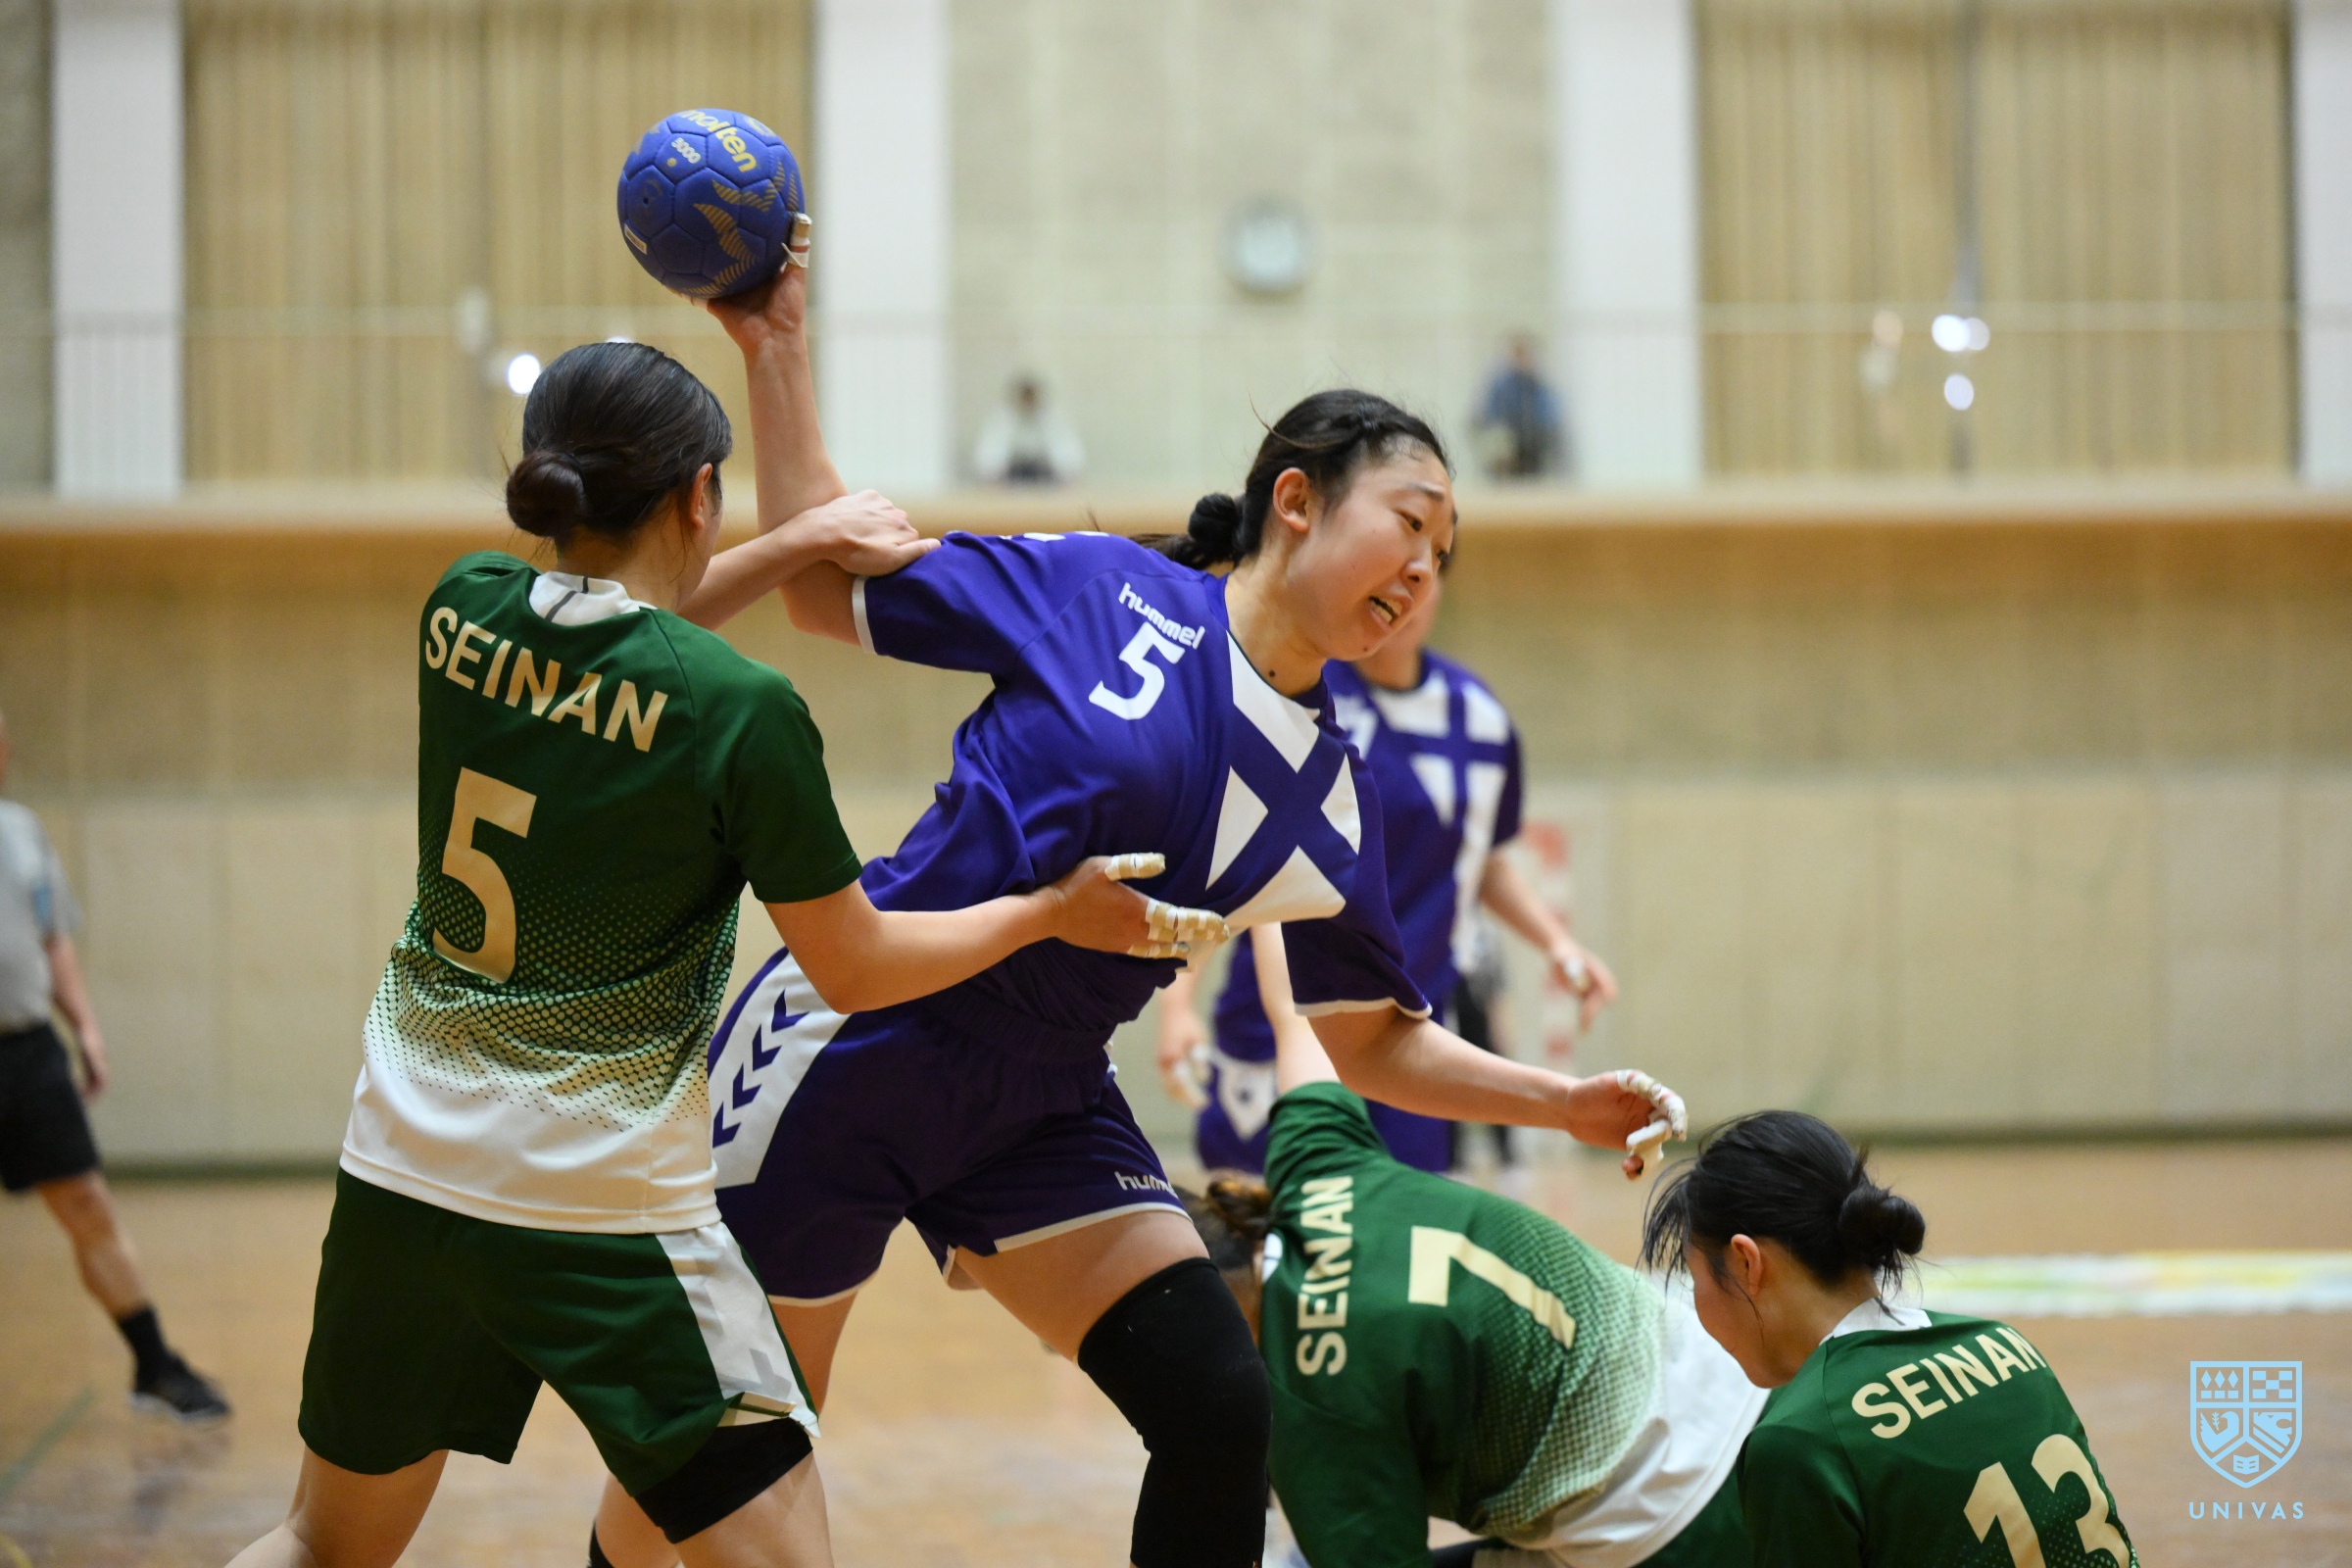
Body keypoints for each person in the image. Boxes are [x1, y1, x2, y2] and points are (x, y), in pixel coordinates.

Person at [592, 369, 1690, 1568]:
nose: (1426, 568)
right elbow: (822, 587)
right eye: (1410, 523)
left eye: (1446, 550)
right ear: (1296, 502)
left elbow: (1372, 1037)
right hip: (855, 1043)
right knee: (714, 1468)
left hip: (1042, 1100)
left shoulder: (1333, 797)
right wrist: (776, 341)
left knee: (1220, 1404)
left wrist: (1561, 1101)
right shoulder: (1100, 587)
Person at [227, 244, 1202, 1568]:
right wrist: (1045, 914)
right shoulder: (740, 715)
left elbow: (631, 636)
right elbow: (856, 968)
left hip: (401, 1167)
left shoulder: (460, 611)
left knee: (318, 1545)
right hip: (597, 1205)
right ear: (700, 495)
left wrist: (793, 542)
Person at [1185, 924, 1747, 1568]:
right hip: (1731, 1371)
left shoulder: (1310, 1413)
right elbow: (1297, 1015)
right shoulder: (1315, 1165)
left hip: (1673, 1525)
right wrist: (1274, 894)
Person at [1156, 546, 1617, 1175]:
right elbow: (1232, 859)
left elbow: (1482, 862)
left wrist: (1557, 945)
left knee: (1401, 1230)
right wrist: (1177, 1002)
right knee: (1260, 1228)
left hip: (1410, 1042)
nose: (1401, 598)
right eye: (1380, 576)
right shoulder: (1299, 689)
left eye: (1420, 578)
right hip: (1280, 1032)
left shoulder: (1481, 721)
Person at [1640, 1112, 2141, 1568]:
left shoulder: (1800, 1440)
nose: (1697, 1302)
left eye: (1694, 1275)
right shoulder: (2008, 1347)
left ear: (1747, 1262)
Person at [0, 713, 230, 1421]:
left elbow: (53, 940)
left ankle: (153, 1365)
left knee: (87, 1205)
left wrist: (87, 1030)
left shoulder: (22, 831)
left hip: (26, 1050)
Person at [1473, 336, 1565, 480]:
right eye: (1518, 354)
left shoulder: (1539, 386)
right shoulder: (1501, 386)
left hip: (1534, 442)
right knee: (1499, 442)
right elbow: (1489, 415)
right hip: (1508, 439)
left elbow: (1549, 418)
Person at [971, 372, 1085, 484]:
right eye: (1024, 396)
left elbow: (1070, 459)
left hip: (1046, 481)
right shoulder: (1002, 421)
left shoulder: (1053, 421)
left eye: (1031, 396)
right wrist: (993, 475)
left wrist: (1065, 474)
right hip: (1010, 482)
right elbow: (988, 458)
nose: (1028, 400)